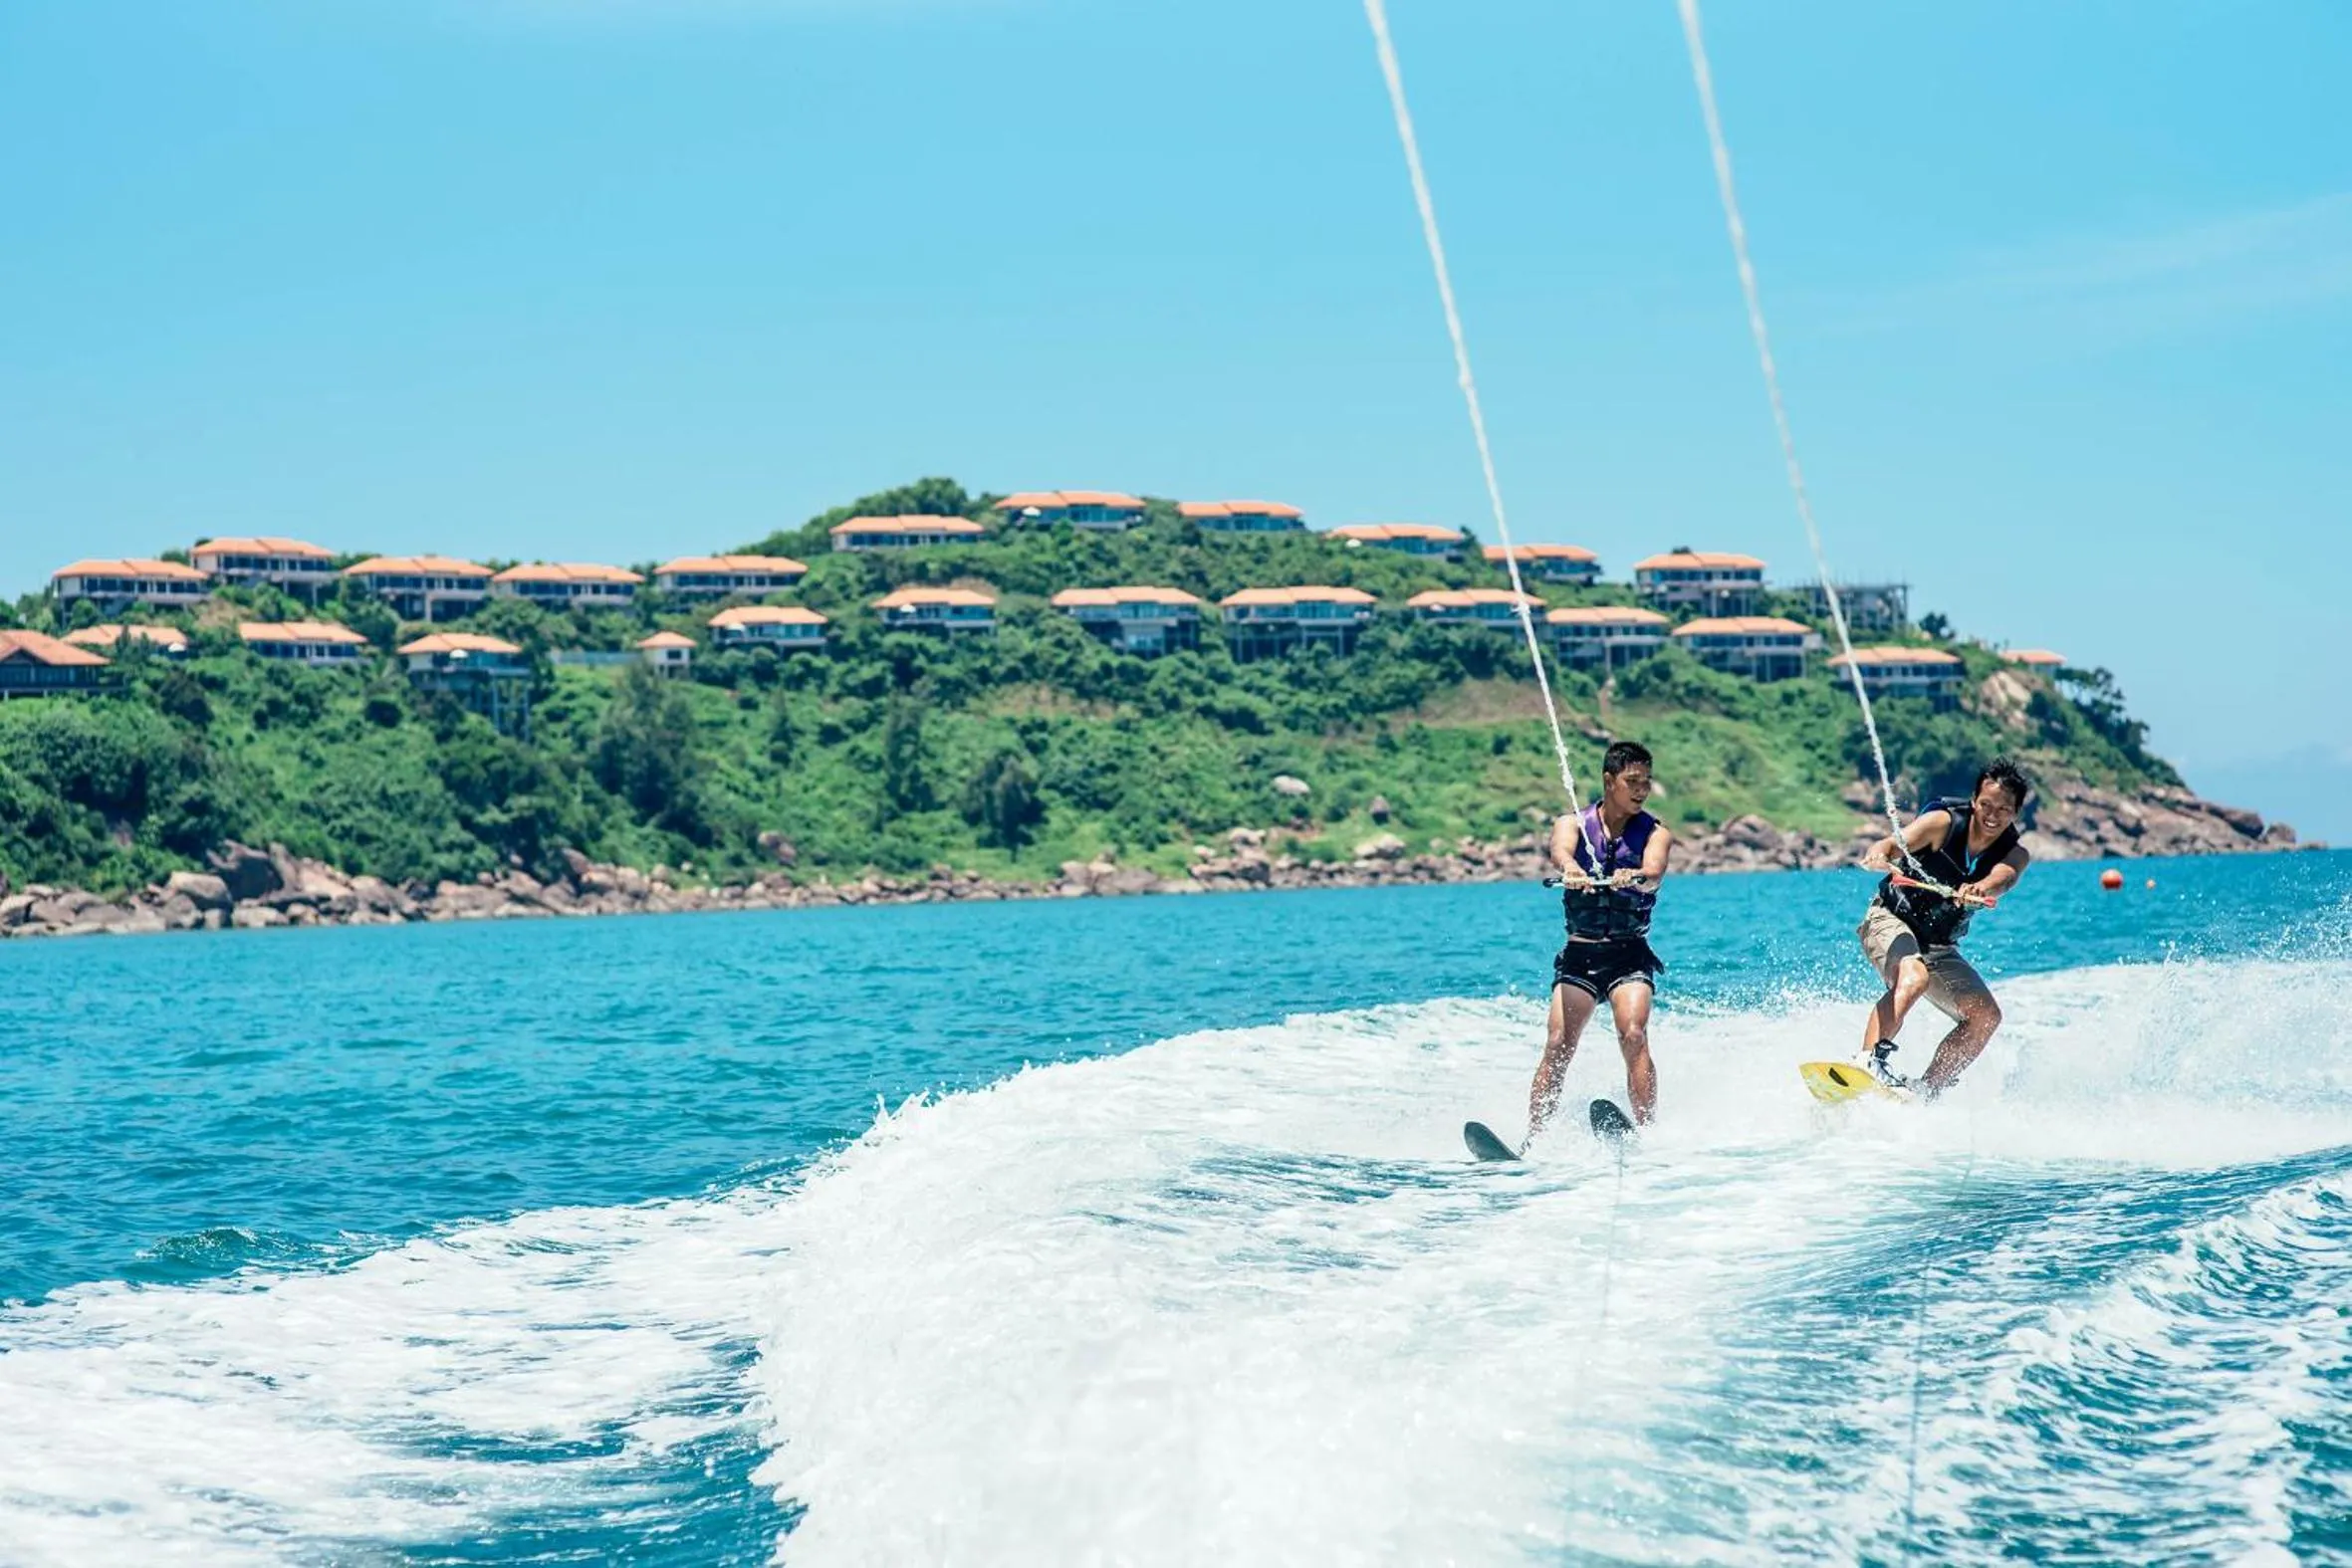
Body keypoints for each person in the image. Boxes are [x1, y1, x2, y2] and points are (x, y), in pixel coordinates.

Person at [1855, 759, 2033, 1095]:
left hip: (1938, 946)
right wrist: (1879, 854)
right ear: (1974, 800)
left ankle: (1926, 1092)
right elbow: (1891, 844)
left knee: (1985, 1016)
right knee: (1913, 978)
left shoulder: (2014, 854)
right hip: (1889, 919)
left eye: (2004, 809)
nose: (1992, 815)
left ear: (2015, 813)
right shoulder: (1943, 823)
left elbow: (2003, 878)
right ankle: (1867, 1063)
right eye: (1986, 804)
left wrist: (1980, 888)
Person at [1528, 741, 1674, 1138]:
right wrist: (1571, 867)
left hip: (1629, 956)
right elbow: (1560, 851)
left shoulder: (1656, 833)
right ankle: (1535, 1136)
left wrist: (1636, 876)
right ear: (1610, 781)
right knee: (1558, 1042)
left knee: (1633, 1034)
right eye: (1632, 781)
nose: (1641, 789)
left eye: (1646, 781)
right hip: (1581, 956)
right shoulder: (1572, 824)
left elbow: (1654, 872)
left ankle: (1647, 1133)